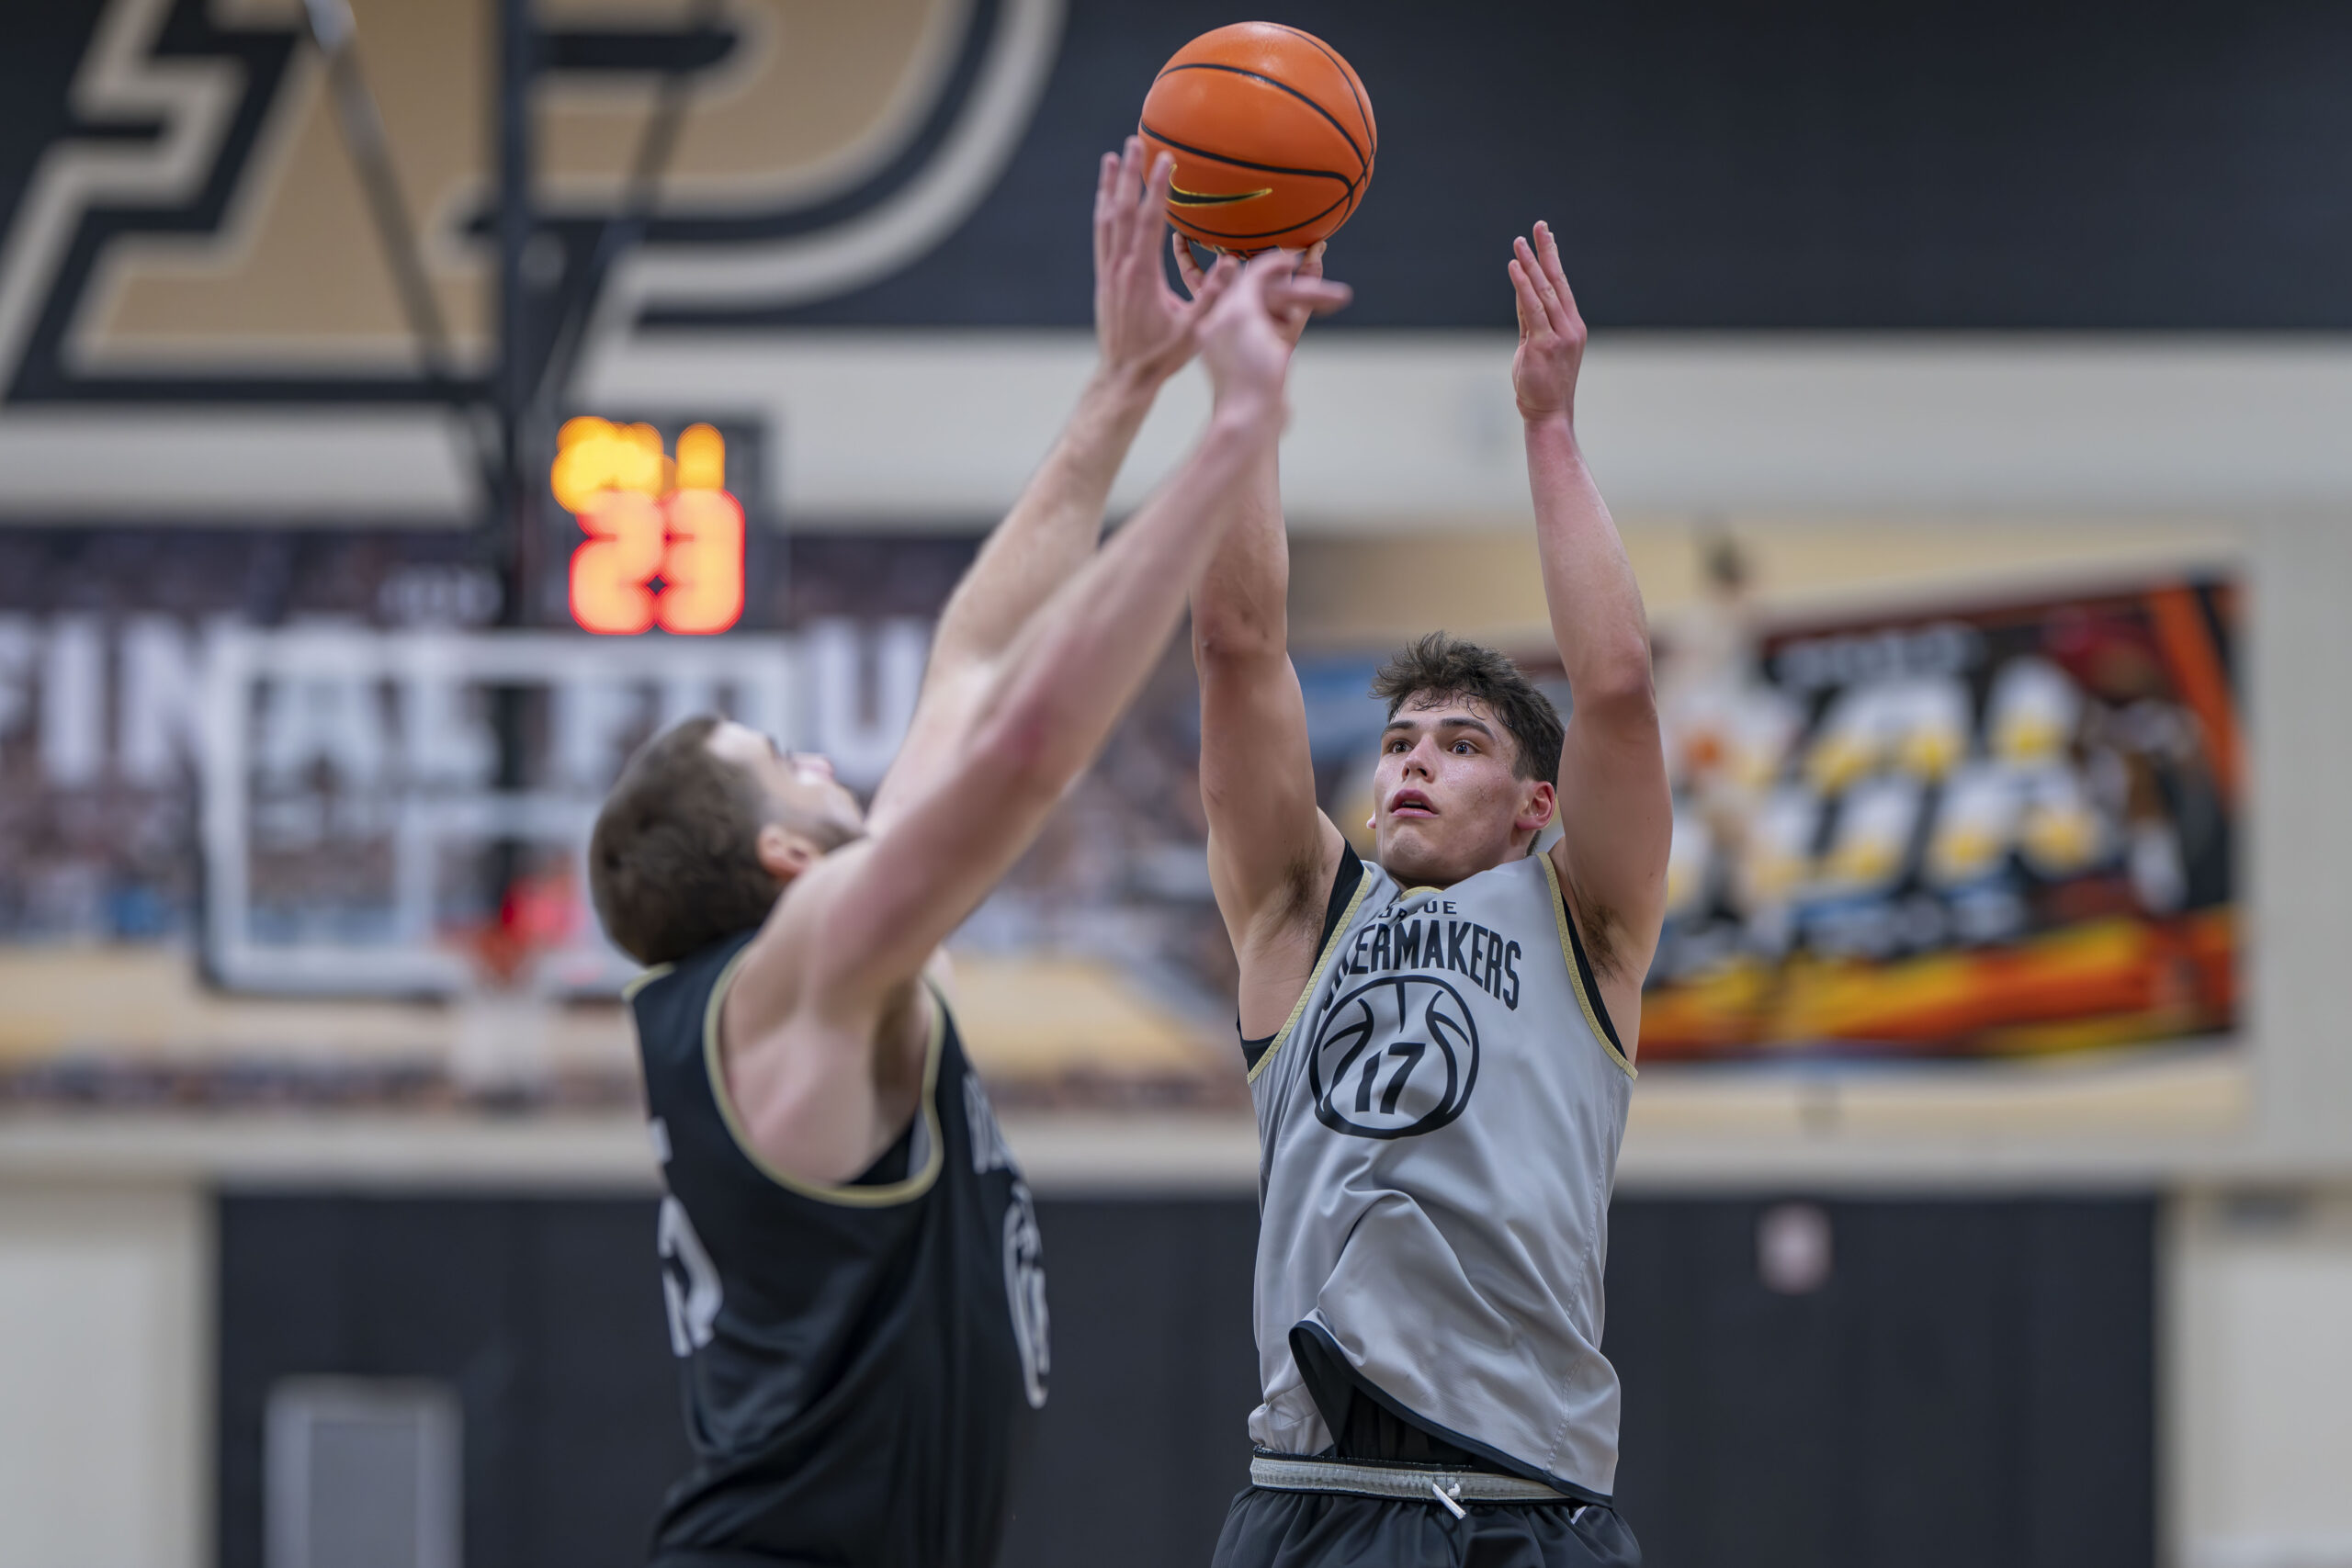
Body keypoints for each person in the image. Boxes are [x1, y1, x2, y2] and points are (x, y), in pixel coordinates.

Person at [585, 141, 1349, 1568]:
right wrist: (1233, 435)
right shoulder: (797, 976)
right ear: (781, 858)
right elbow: (1016, 753)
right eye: (789, 764)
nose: (826, 763)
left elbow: (979, 661)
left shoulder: (808, 971)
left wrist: (1126, 391)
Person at [1182, 220, 1670, 1566]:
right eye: (1399, 741)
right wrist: (1248, 391)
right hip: (1315, 1498)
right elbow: (1235, 645)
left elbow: (1618, 688)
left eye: (1461, 744)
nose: (1412, 763)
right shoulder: (1298, 916)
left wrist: (1549, 426)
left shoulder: (1587, 924)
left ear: (1535, 807)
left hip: (1528, 1504)